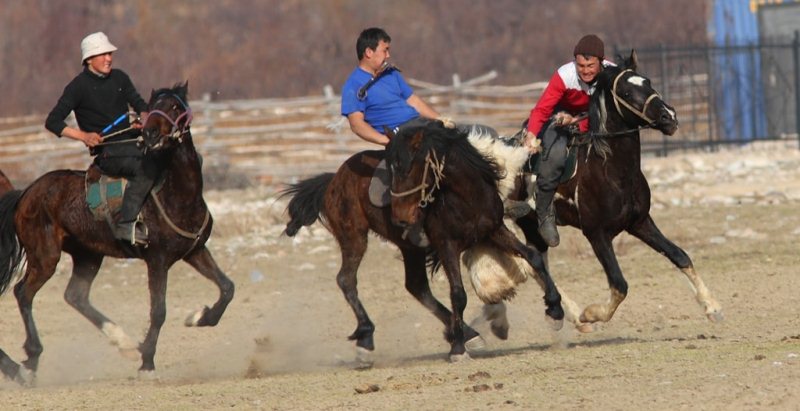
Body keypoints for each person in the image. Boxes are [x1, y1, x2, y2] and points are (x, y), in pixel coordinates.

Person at [45, 31, 153, 246]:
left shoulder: (120, 77)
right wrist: (83, 136)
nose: (109, 59)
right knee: (144, 168)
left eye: (110, 54)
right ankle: (126, 224)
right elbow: (53, 121)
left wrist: (145, 119)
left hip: (132, 143)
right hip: (108, 153)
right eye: (102, 54)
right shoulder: (77, 87)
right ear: (89, 59)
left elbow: (140, 105)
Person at [523, 34, 614, 247]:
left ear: (601, 61)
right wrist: (531, 135)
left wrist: (580, 121)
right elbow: (542, 108)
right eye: (581, 65)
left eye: (590, 65)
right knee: (555, 155)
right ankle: (544, 213)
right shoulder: (565, 75)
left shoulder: (612, 74)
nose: (585, 70)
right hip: (560, 117)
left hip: (592, 119)